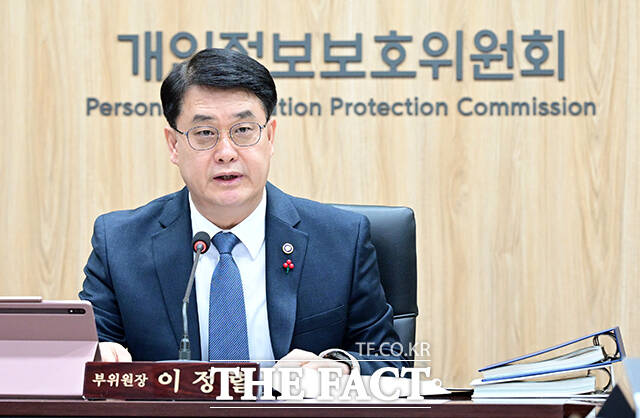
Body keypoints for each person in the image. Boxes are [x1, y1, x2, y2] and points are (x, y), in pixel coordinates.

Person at [79, 48, 408, 375]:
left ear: (270, 137)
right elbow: (86, 354)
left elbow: (391, 361)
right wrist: (94, 356)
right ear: (173, 145)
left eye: (244, 130)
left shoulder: (341, 241)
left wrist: (340, 368)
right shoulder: (120, 245)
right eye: (205, 133)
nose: (226, 152)